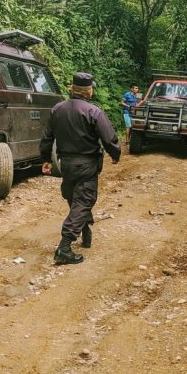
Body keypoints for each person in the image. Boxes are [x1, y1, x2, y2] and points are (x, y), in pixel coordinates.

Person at [41, 72, 121, 265]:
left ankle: (85, 230)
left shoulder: (57, 109)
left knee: (73, 197)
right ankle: (65, 247)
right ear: (88, 90)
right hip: (87, 163)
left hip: (65, 164)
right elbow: (109, 138)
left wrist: (46, 159)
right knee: (84, 200)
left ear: (72, 89)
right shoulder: (94, 111)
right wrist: (116, 154)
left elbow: (47, 137)